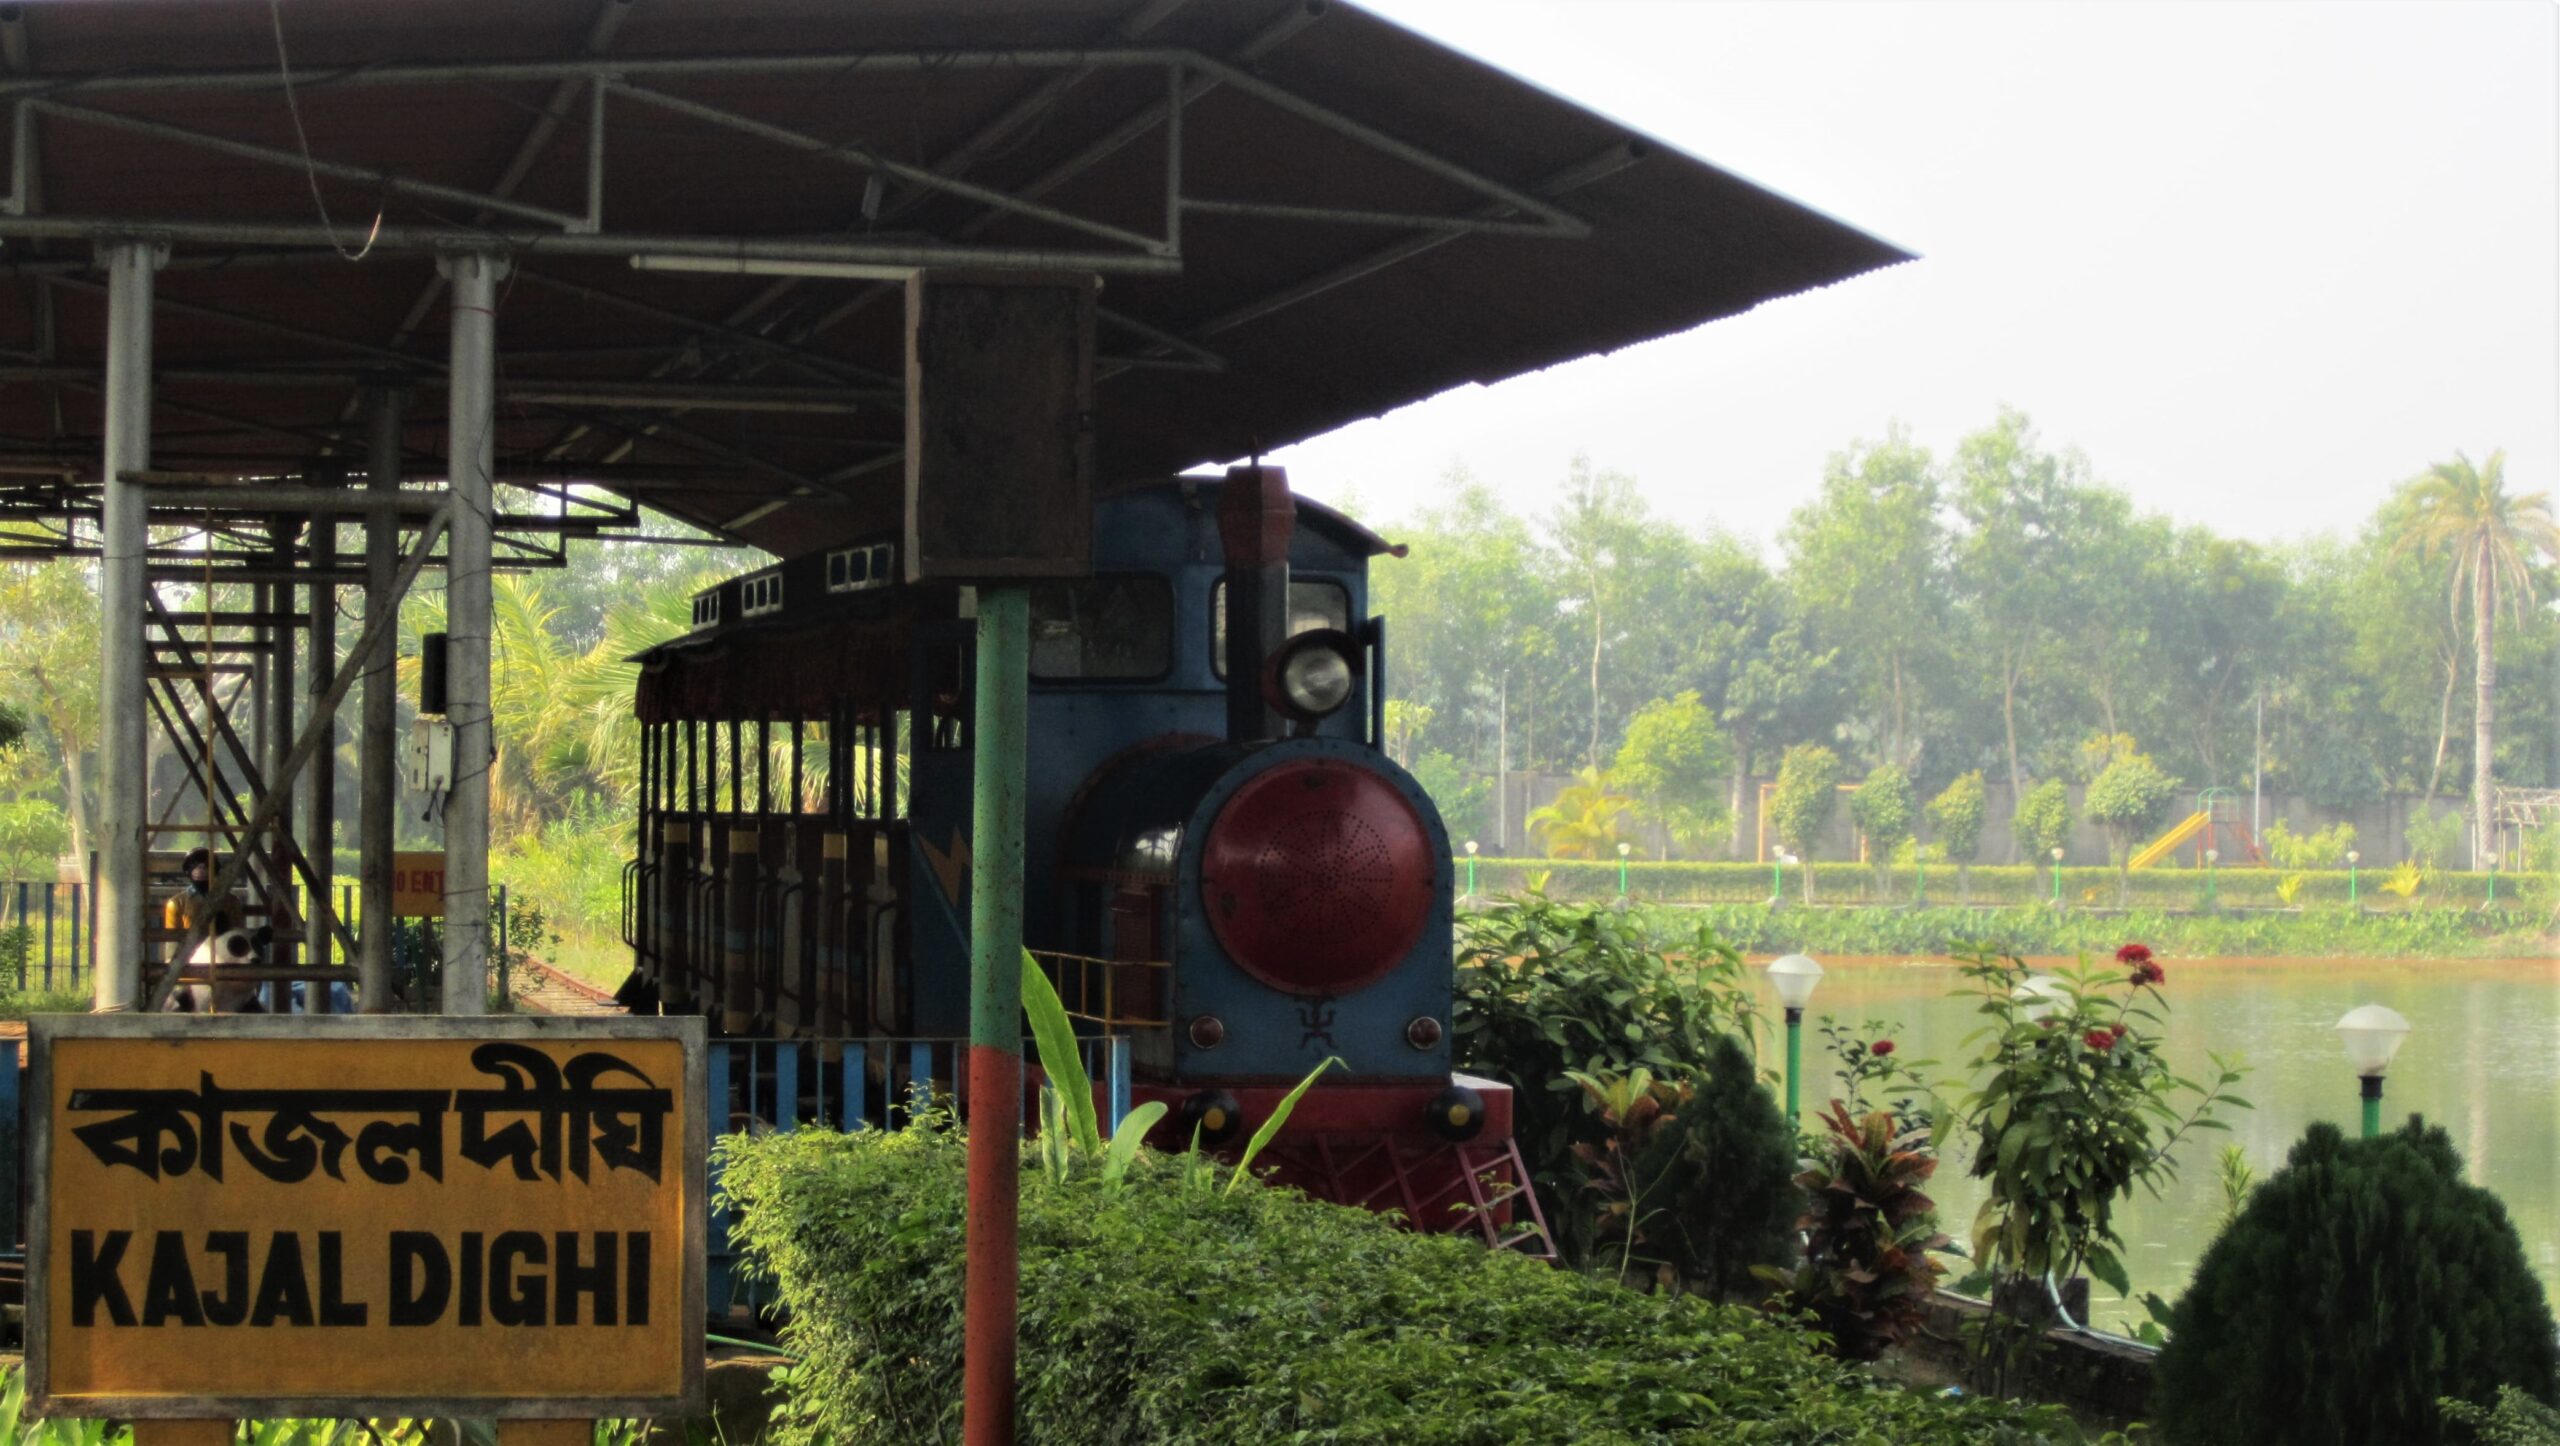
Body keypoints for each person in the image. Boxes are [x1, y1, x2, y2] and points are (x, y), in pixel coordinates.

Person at [165, 846, 265, 1012]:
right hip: (190, 960)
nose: (201, 869)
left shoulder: (230, 902)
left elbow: (239, 935)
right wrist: (171, 962)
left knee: (247, 998)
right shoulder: (176, 903)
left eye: (206, 865)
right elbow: (171, 940)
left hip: (225, 960)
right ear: (187, 870)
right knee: (181, 1000)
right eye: (195, 865)